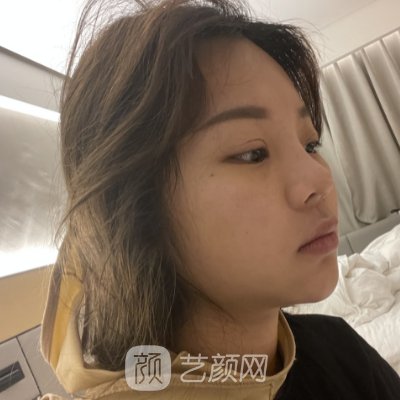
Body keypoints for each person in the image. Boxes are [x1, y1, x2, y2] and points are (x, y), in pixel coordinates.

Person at [39, 0, 400, 399]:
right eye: (253, 153)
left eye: (310, 144)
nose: (320, 180)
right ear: (134, 211)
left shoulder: (339, 351)